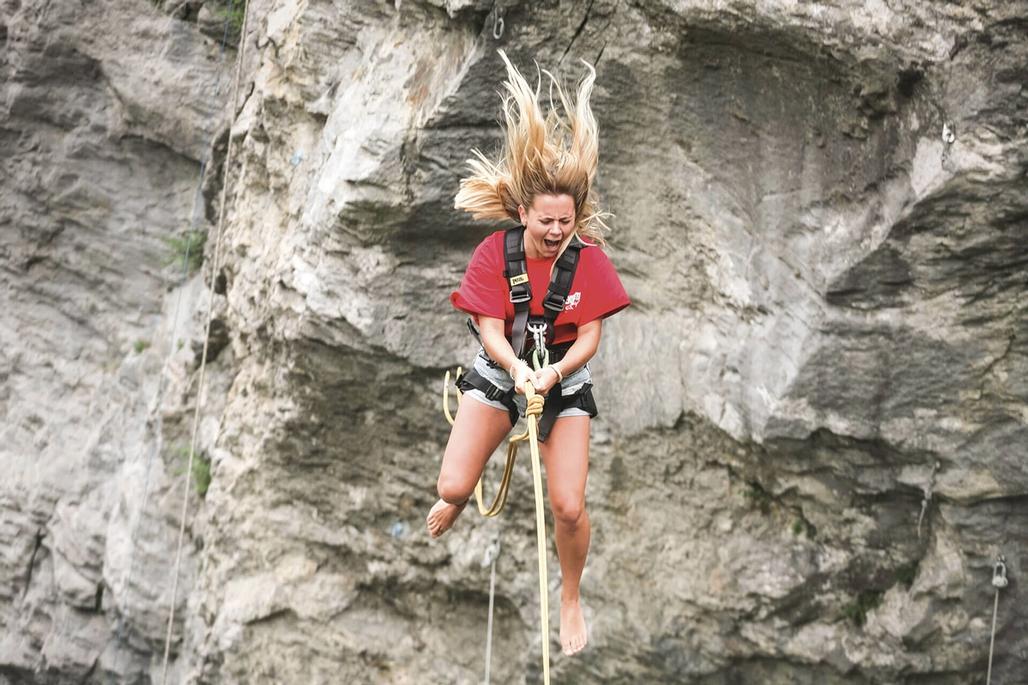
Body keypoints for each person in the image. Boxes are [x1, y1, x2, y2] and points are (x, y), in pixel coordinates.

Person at [426, 49, 630, 658]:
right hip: (502, 369)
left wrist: (553, 374)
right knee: (452, 485)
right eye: (546, 221)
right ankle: (459, 498)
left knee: (568, 505)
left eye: (566, 221)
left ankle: (570, 596)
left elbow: (589, 337)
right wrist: (518, 371)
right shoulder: (496, 253)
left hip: (562, 379)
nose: (556, 231)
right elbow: (491, 330)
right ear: (523, 214)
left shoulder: (587, 260)